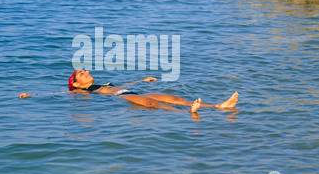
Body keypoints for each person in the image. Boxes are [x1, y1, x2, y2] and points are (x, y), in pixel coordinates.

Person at [19, 69, 239, 113]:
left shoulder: (102, 83)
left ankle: (218, 106)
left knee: (175, 97)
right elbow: (58, 95)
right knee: (154, 105)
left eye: (85, 70)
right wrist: (32, 96)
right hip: (121, 99)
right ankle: (189, 112)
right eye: (81, 74)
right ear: (76, 84)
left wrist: (142, 79)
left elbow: (125, 85)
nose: (86, 72)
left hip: (128, 92)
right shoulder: (80, 92)